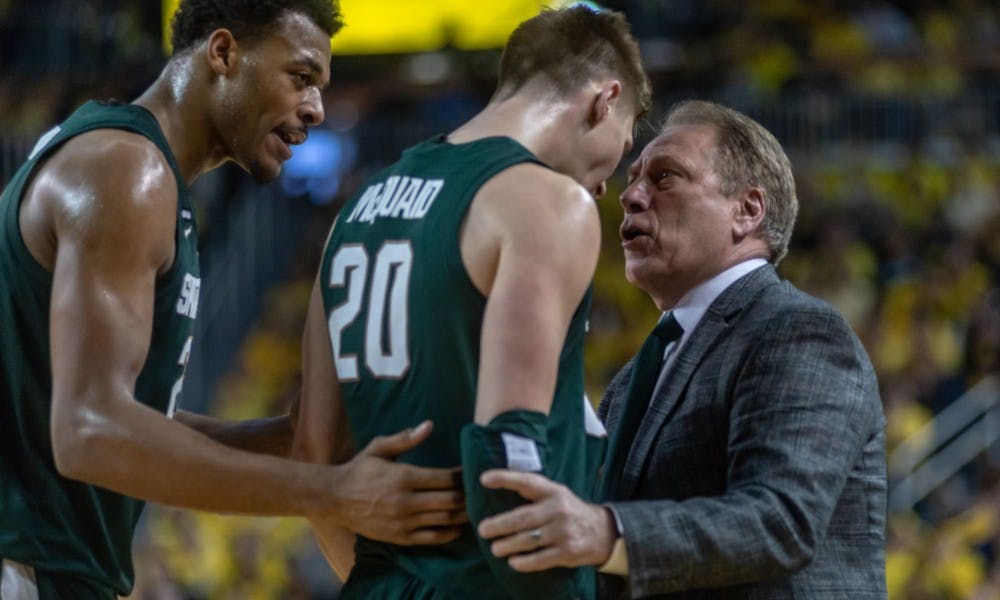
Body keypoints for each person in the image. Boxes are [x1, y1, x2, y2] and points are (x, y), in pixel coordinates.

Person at [0, 2, 465, 598]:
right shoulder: (128, 172)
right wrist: (330, 494)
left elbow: (137, 419)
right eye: (300, 78)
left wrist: (289, 439)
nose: (317, 109)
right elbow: (91, 431)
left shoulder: (135, 167)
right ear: (222, 54)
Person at [291, 5, 651, 599]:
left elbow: (313, 453)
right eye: (626, 140)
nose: (609, 182)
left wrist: (386, 580)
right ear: (604, 101)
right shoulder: (548, 201)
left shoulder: (358, 207)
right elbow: (508, 456)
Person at [476, 100, 888, 598]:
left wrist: (602, 530)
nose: (629, 196)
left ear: (747, 210)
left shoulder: (798, 330)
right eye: (632, 179)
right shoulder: (633, 378)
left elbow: (782, 521)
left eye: (665, 177)